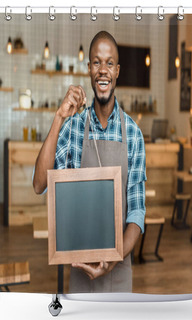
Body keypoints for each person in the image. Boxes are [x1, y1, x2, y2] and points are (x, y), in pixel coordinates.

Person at [33, 31, 146, 293]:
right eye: (97, 62)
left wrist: (112, 259)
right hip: (79, 270)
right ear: (89, 69)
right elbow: (39, 184)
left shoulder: (133, 134)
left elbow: (137, 214)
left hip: (119, 270)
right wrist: (59, 118)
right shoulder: (72, 127)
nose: (103, 70)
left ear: (117, 71)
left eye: (109, 63)